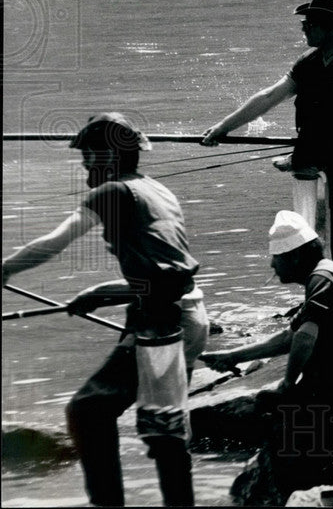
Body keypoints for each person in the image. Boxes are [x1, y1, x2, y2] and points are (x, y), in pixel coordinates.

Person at [2, 113, 208, 507]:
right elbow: (169, 271)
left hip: (161, 323)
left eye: (88, 159)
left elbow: (55, 242)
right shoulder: (156, 190)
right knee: (165, 433)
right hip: (189, 313)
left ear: (107, 157)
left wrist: (6, 267)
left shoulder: (111, 193)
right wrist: (103, 291)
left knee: (88, 411)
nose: (84, 170)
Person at [201, 0, 333, 309]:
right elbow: (268, 97)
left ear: (329, 28)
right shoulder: (309, 64)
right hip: (325, 161)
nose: (303, 29)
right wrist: (224, 127)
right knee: (330, 242)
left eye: (308, 24)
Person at [201, 211, 333, 504]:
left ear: (295, 257)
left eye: (277, 257)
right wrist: (233, 355)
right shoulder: (326, 275)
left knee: (279, 413)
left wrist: (287, 383)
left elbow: (305, 335)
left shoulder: (322, 278)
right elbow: (289, 336)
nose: (272, 264)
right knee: (282, 408)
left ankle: (298, 491)